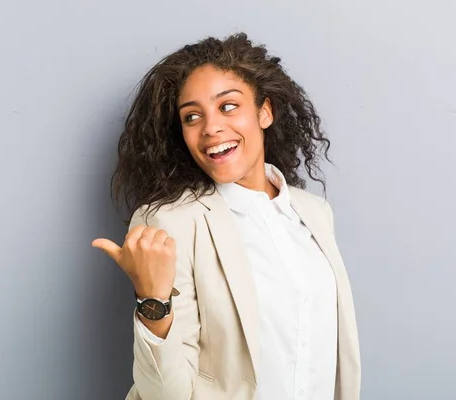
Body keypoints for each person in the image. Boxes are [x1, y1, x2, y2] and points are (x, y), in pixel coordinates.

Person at [92, 33, 360, 400]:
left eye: (228, 106)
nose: (211, 128)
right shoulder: (171, 224)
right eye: (192, 116)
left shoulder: (314, 213)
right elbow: (164, 395)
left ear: (265, 111)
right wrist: (152, 301)